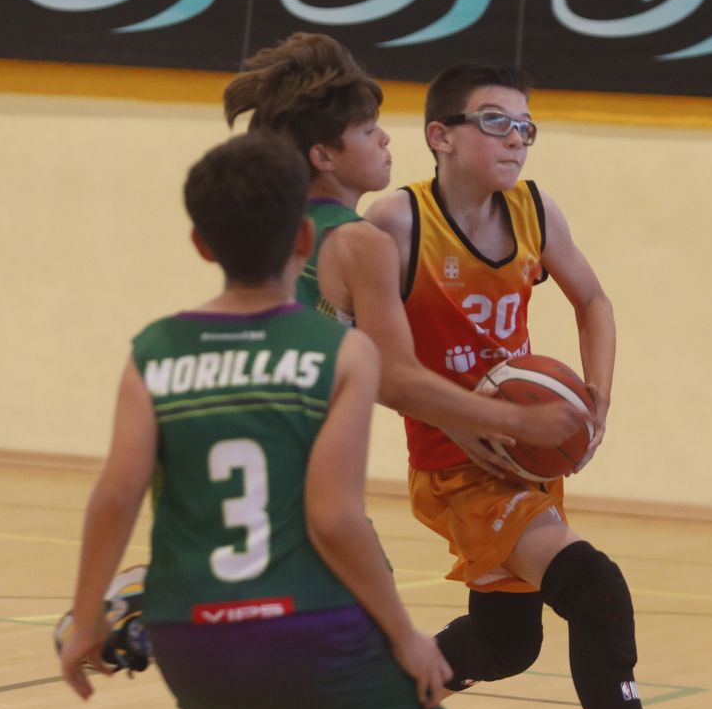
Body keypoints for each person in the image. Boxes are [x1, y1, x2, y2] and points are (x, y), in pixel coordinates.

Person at [57, 132, 533, 709]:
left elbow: (116, 496)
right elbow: (335, 519)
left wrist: (86, 619)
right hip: (305, 630)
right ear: (306, 238)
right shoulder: (340, 352)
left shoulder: (153, 352)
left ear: (200, 244)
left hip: (193, 640)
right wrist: (405, 635)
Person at [352, 63, 712, 709]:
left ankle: (384, 706)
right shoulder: (394, 223)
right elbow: (361, 353)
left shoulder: (534, 212)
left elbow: (593, 301)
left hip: (520, 455)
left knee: (506, 642)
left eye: (526, 125)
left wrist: (596, 402)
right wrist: (462, 419)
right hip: (455, 467)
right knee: (594, 587)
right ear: (442, 137)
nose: (516, 139)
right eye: (495, 121)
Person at [223, 32, 584, 449]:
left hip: (230, 424)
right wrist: (515, 418)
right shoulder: (363, 241)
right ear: (324, 156)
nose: (385, 138)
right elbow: (397, 380)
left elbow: (370, 374)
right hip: (285, 443)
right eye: (368, 129)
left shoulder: (278, 227)